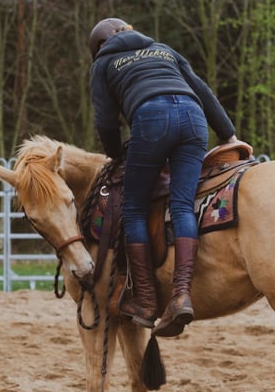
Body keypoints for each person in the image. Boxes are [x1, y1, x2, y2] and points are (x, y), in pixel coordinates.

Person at [89, 18, 238, 337]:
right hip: (194, 118)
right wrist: (228, 134)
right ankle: (181, 295)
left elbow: (105, 119)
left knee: (134, 209)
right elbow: (202, 90)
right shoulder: (163, 49)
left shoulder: (103, 62)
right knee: (182, 205)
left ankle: (144, 300)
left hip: (151, 118)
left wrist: (116, 155)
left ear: (100, 45)